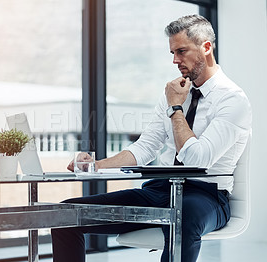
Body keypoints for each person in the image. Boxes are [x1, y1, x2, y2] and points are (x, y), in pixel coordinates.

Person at [51, 14, 252, 262]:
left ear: (206, 47)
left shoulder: (233, 99)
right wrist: (95, 166)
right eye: (172, 53)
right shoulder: (174, 92)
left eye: (181, 51)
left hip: (206, 197)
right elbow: (145, 148)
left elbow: (198, 160)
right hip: (160, 190)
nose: (175, 60)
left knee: (183, 218)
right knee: (64, 214)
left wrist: (176, 109)